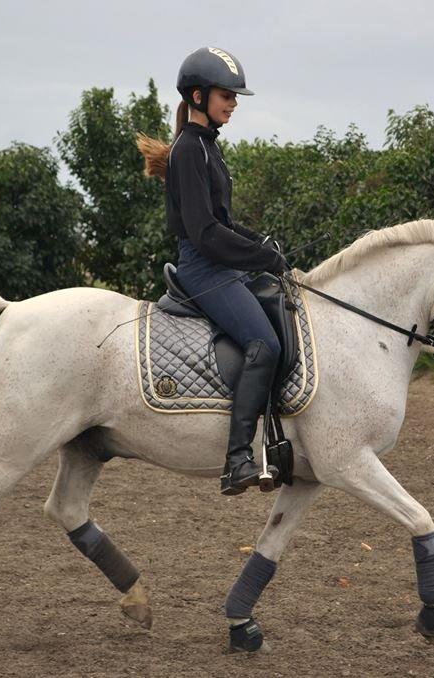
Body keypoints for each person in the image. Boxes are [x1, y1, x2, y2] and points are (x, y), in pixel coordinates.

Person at [139, 46, 289, 495]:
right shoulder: (189, 150)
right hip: (204, 269)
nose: (234, 103)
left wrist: (262, 243)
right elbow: (205, 234)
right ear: (199, 96)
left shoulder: (207, 147)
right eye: (227, 95)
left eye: (235, 96)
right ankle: (238, 458)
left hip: (220, 264)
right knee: (264, 343)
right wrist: (258, 257)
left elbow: (223, 222)